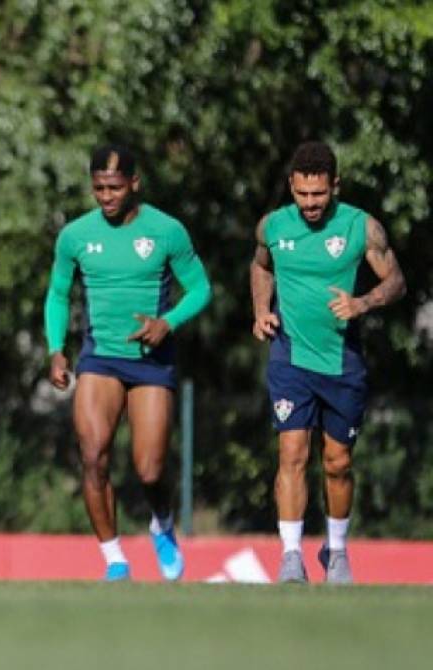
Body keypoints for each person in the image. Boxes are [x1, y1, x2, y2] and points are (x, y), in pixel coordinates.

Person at [43, 144, 211, 582]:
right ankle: (114, 558)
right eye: (98, 188)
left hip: (151, 363)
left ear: (134, 183)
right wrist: (56, 349)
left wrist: (167, 323)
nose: (106, 197)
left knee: (150, 469)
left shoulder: (167, 231)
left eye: (114, 188)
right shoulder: (76, 236)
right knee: (93, 456)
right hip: (100, 359)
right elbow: (57, 294)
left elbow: (200, 289)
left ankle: (162, 524)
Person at [249, 141, 405, 584]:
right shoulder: (273, 226)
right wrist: (261, 309)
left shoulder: (362, 227)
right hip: (290, 358)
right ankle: (290, 557)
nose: (310, 203)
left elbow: (396, 281)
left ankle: (335, 552)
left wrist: (362, 303)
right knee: (292, 453)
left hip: (342, 361)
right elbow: (261, 267)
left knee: (337, 462)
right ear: (291, 187)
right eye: (302, 194)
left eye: (318, 194)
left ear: (335, 185)